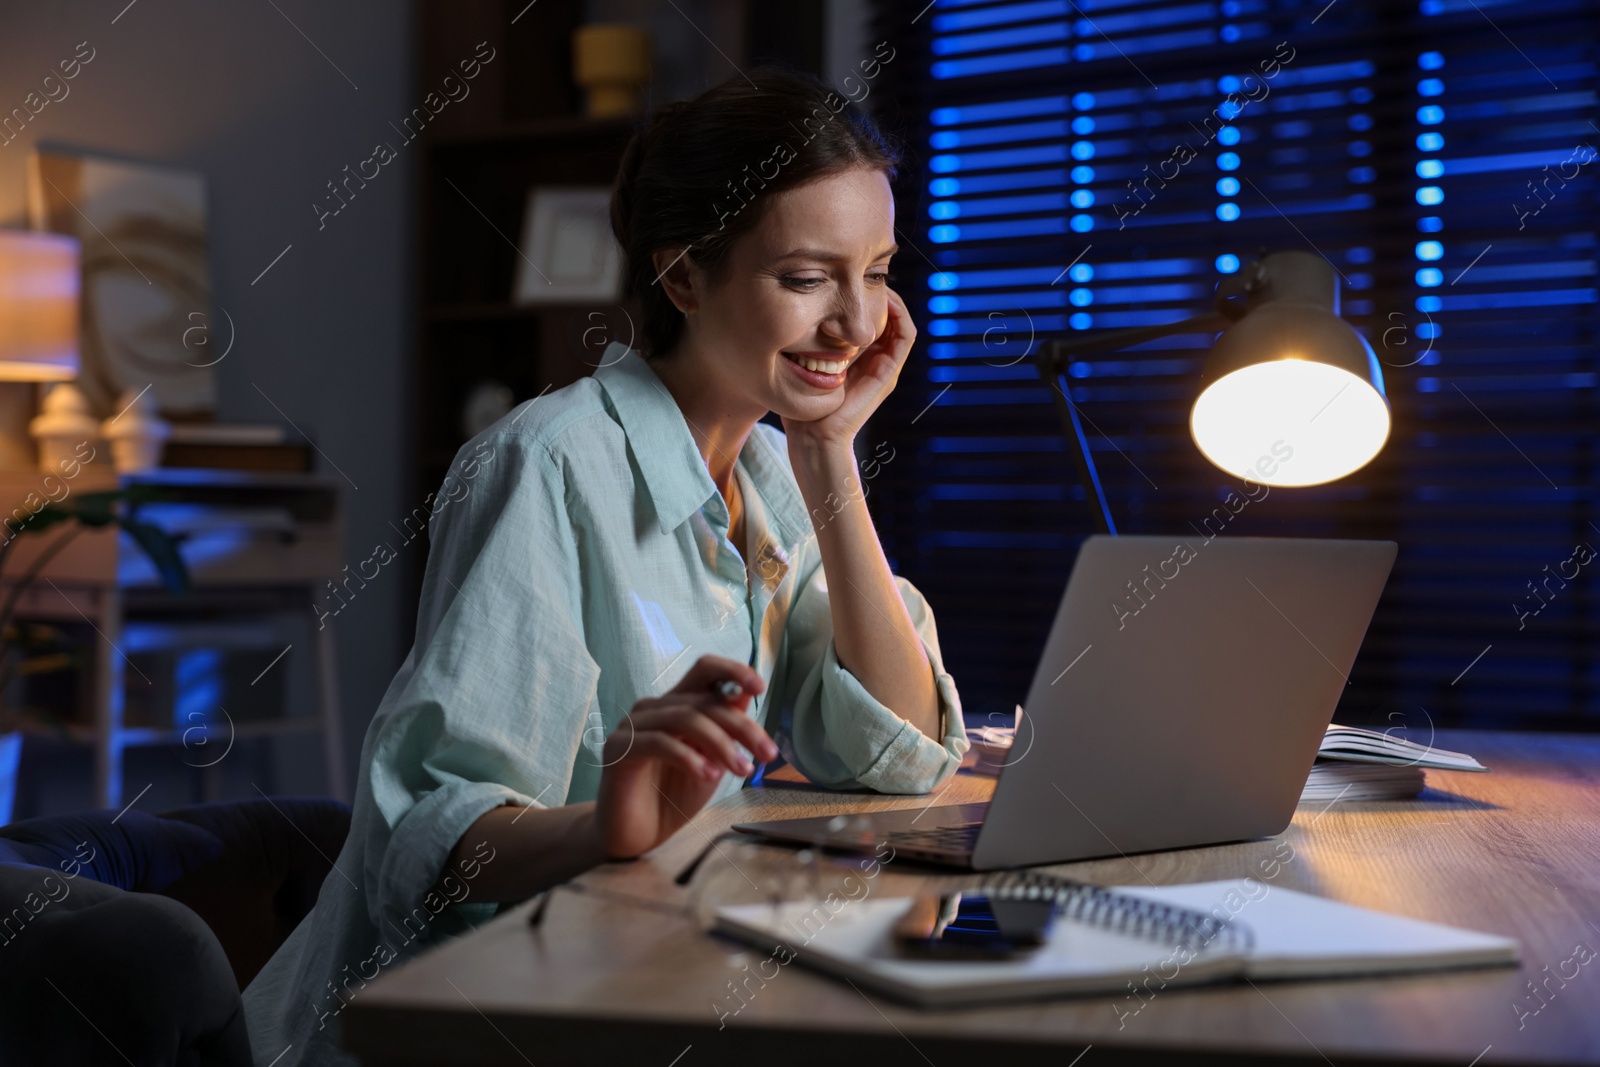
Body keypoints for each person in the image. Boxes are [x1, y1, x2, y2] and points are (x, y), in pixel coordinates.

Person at [243, 65, 968, 1066]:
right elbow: (429, 842)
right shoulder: (545, 462)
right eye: (807, 277)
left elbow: (896, 753)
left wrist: (831, 451)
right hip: (452, 1021)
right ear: (681, 278)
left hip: (647, 979)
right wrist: (605, 826)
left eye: (878, 269)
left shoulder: (774, 466)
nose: (858, 322)